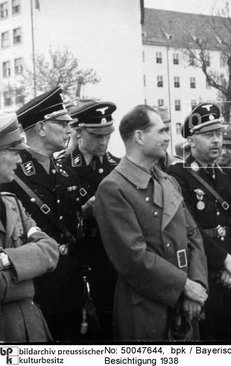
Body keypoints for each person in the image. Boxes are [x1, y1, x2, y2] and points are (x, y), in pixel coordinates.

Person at [94, 105, 208, 340]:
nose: (168, 137)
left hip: (186, 304)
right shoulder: (113, 188)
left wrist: (196, 285)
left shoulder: (168, 181)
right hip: (145, 308)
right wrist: (184, 286)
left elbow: (193, 236)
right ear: (139, 136)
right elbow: (132, 257)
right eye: (161, 131)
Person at [4, 87, 86, 341]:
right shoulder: (11, 173)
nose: (69, 129)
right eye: (61, 123)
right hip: (33, 285)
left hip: (70, 281)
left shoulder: (64, 171)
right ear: (40, 128)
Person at [167, 103, 231, 340]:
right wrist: (225, 261)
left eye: (218, 134)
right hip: (203, 274)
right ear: (191, 141)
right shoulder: (178, 176)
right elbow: (189, 229)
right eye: (207, 135)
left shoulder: (230, 175)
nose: (216, 140)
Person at [62, 100, 120, 340]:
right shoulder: (62, 167)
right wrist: (83, 212)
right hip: (80, 259)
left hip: (114, 258)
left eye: (107, 135)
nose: (104, 142)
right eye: (97, 136)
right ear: (78, 131)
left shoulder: (117, 167)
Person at [0, 113, 59, 342]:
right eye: (13, 152)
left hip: (31, 329)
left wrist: (7, 261)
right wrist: (27, 277)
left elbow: (50, 249)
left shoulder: (11, 202)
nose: (19, 160)